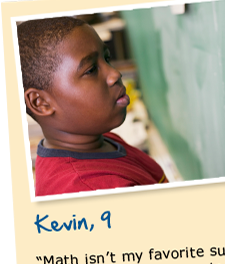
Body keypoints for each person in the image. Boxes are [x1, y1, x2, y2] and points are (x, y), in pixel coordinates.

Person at [17, 16, 167, 197]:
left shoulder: (101, 140)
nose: (114, 74)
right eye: (91, 70)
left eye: (107, 58)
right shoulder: (90, 190)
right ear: (41, 103)